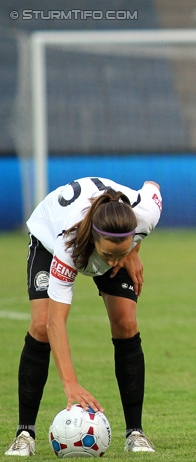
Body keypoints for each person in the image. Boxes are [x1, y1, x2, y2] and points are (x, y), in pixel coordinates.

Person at [4, 177, 162, 457]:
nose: (113, 263)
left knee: (126, 323)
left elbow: (152, 185)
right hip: (47, 237)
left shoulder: (145, 215)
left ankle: (135, 432)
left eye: (119, 253)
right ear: (95, 239)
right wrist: (70, 383)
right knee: (40, 326)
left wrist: (134, 251)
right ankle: (25, 433)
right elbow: (56, 323)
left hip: (113, 234)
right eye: (108, 255)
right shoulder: (69, 243)